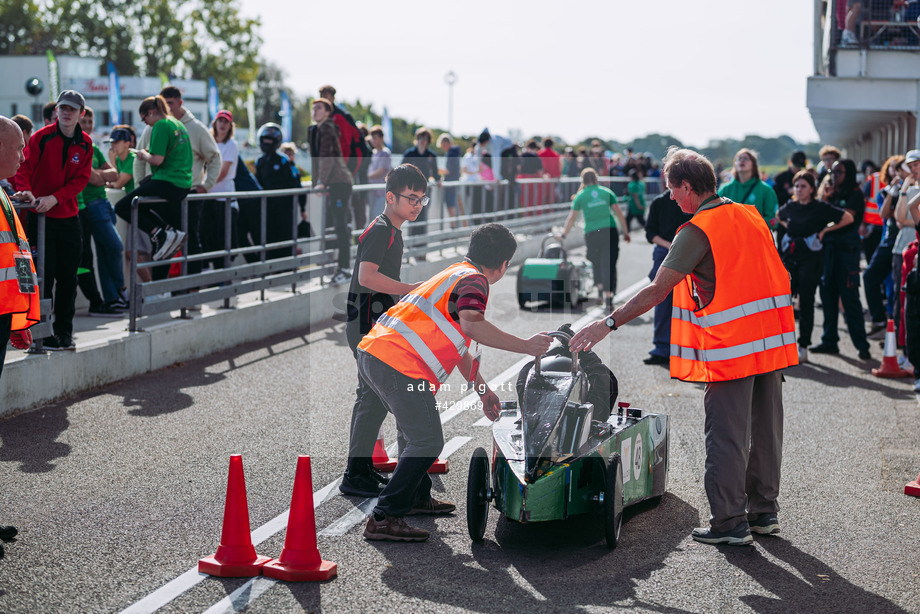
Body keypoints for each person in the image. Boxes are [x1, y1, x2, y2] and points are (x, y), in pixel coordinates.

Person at [570, 147, 797, 546]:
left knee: (726, 435)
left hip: (732, 347)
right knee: (766, 432)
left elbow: (657, 290)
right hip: (771, 342)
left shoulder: (697, 230)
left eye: (673, 190)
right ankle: (764, 514)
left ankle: (729, 523)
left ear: (688, 187)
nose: (671, 198)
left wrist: (607, 323)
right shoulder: (750, 214)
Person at [358, 223, 552, 541]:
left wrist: (483, 390)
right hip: (397, 363)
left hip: (379, 354)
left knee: (413, 434)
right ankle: (385, 515)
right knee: (428, 441)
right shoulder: (475, 281)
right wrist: (526, 346)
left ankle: (416, 498)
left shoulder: (454, 272)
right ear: (503, 265)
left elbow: (459, 342)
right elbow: (473, 327)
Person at [340, 164, 427, 498]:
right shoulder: (381, 229)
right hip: (364, 324)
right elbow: (366, 276)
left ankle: (360, 470)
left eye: (421, 199)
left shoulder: (393, 229)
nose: (417, 204)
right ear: (390, 197)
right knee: (371, 397)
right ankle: (355, 473)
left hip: (371, 323)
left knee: (372, 397)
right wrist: (409, 289)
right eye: (411, 198)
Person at [13, 90, 92, 351]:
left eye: (72, 109)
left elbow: (81, 179)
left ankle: (64, 333)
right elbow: (22, 166)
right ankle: (42, 333)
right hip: (40, 219)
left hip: (68, 218)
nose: (66, 113)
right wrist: (27, 192)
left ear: (81, 113)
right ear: (56, 110)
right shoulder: (41, 138)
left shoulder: (86, 143)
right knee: (41, 279)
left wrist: (55, 198)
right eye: (62, 108)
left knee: (68, 279)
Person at [0, 116, 39, 559]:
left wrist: (20, 320)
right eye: (18, 147)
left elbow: (17, 258)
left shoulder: (4, 193)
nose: (23, 155)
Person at [775, 170, 853, 363]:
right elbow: (778, 215)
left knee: (807, 301)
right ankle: (783, 344)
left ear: (812, 189)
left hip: (811, 258)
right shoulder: (791, 206)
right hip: (791, 256)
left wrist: (825, 231)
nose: (799, 189)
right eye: (796, 186)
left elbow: (848, 218)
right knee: (783, 300)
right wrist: (787, 225)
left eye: (803, 186)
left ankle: (803, 346)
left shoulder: (820, 207)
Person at [114, 95, 192, 263]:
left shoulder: (161, 125)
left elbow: (157, 160)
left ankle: (161, 233)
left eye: (144, 120)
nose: (146, 124)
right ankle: (167, 231)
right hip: (182, 183)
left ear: (150, 113)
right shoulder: (177, 124)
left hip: (168, 181)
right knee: (142, 205)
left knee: (122, 207)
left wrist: (143, 155)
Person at [811, 159, 872, 360]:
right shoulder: (831, 193)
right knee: (827, 296)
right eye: (832, 171)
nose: (834, 175)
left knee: (850, 301)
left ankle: (862, 345)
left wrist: (826, 227)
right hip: (828, 252)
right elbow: (820, 215)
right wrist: (825, 199)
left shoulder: (855, 194)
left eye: (839, 172)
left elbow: (846, 218)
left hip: (847, 254)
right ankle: (829, 341)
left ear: (850, 173)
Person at [157, 86, 221, 276]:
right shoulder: (158, 126)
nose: (167, 108)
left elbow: (215, 157)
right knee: (163, 242)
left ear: (180, 103)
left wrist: (206, 186)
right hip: (164, 194)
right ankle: (160, 291)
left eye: (171, 103)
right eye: (164, 103)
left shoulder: (196, 128)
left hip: (190, 195)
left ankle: (192, 294)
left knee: (191, 241)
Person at [75, 107, 126, 317]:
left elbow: (115, 174)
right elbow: (98, 179)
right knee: (115, 247)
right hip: (91, 207)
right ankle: (122, 290)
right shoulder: (77, 148)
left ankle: (112, 299)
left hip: (104, 204)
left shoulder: (93, 148)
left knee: (105, 254)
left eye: (90, 121)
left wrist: (98, 174)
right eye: (83, 121)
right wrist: (101, 175)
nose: (87, 125)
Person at [560, 167, 630, 311]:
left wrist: (564, 234)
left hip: (592, 233)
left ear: (583, 180)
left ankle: (599, 291)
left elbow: (572, 217)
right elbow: (619, 213)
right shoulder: (606, 192)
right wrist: (626, 231)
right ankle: (609, 297)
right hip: (609, 230)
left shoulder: (580, 196)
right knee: (609, 263)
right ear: (596, 178)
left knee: (596, 261)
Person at [642, 182, 692, 365]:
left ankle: (687, 348)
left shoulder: (691, 202)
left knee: (691, 301)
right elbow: (650, 233)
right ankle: (662, 347)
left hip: (690, 251)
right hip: (665, 252)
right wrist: (669, 245)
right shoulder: (658, 202)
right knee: (661, 300)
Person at [309, 99, 353, 283]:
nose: (314, 111)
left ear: (328, 112)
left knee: (341, 227)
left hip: (339, 183)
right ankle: (339, 267)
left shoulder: (326, 128)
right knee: (337, 225)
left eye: (319, 108)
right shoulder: (320, 129)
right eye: (313, 108)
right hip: (336, 183)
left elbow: (327, 158)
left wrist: (321, 181)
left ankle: (343, 269)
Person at [863, 155, 906, 337]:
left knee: (895, 288)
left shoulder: (912, 189)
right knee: (870, 277)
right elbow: (885, 213)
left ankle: (895, 331)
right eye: (893, 167)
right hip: (887, 241)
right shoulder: (886, 191)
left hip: (902, 243)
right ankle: (881, 321)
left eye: (900, 167)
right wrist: (894, 191)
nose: (896, 171)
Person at [201, 110, 239, 270]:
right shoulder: (208, 143)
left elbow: (222, 173)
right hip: (208, 197)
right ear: (214, 123)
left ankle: (222, 274)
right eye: (220, 121)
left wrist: (203, 186)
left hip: (224, 199)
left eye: (226, 122)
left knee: (223, 239)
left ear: (230, 126)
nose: (222, 125)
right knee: (206, 236)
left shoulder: (231, 145)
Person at [717, 148, 778, 229]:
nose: (742, 160)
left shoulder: (766, 190)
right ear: (735, 164)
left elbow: (773, 220)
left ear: (754, 165)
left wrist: (747, 223)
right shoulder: (724, 189)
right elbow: (716, 215)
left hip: (755, 239)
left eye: (746, 158)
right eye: (739, 158)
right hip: (730, 239)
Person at [402, 128, 439, 260]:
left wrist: (438, 181)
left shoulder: (431, 155)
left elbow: (435, 174)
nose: (422, 141)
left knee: (423, 219)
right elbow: (401, 171)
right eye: (420, 138)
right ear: (416, 139)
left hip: (425, 191)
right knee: (411, 218)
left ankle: (422, 251)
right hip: (411, 192)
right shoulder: (410, 153)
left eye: (425, 138)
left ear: (428, 141)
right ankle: (412, 249)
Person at [366, 125, 392, 220]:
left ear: (381, 138)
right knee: (371, 217)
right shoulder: (373, 153)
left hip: (381, 191)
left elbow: (380, 171)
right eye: (372, 138)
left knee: (377, 217)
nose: (373, 140)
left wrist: (366, 177)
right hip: (372, 190)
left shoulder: (385, 153)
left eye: (375, 138)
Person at [438, 133, 461, 221]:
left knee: (451, 205)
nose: (443, 147)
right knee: (451, 204)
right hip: (453, 182)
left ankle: (453, 226)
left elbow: (449, 170)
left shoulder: (452, 153)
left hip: (451, 184)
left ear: (447, 143)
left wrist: (436, 170)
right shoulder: (454, 153)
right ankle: (453, 225)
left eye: (443, 145)